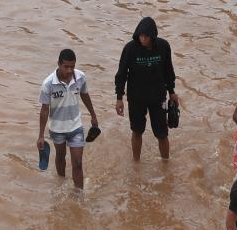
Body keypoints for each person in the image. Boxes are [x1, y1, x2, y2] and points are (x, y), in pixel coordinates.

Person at [114, 17, 179, 161]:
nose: (143, 39)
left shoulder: (163, 46)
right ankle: (136, 162)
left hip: (158, 98)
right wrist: (119, 98)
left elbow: (168, 70)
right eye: (140, 36)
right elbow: (121, 74)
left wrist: (172, 92)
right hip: (136, 98)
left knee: (162, 134)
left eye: (146, 36)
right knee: (137, 131)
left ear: (153, 36)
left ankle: (165, 162)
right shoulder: (130, 49)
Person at [37, 49, 99, 188]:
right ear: (58, 64)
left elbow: (85, 95)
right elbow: (44, 109)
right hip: (57, 129)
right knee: (60, 158)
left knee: (77, 163)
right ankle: (61, 184)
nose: (70, 70)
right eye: (66, 66)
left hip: (76, 127)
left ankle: (79, 195)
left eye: (72, 66)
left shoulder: (80, 77)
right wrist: (41, 136)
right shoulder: (48, 84)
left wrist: (93, 115)